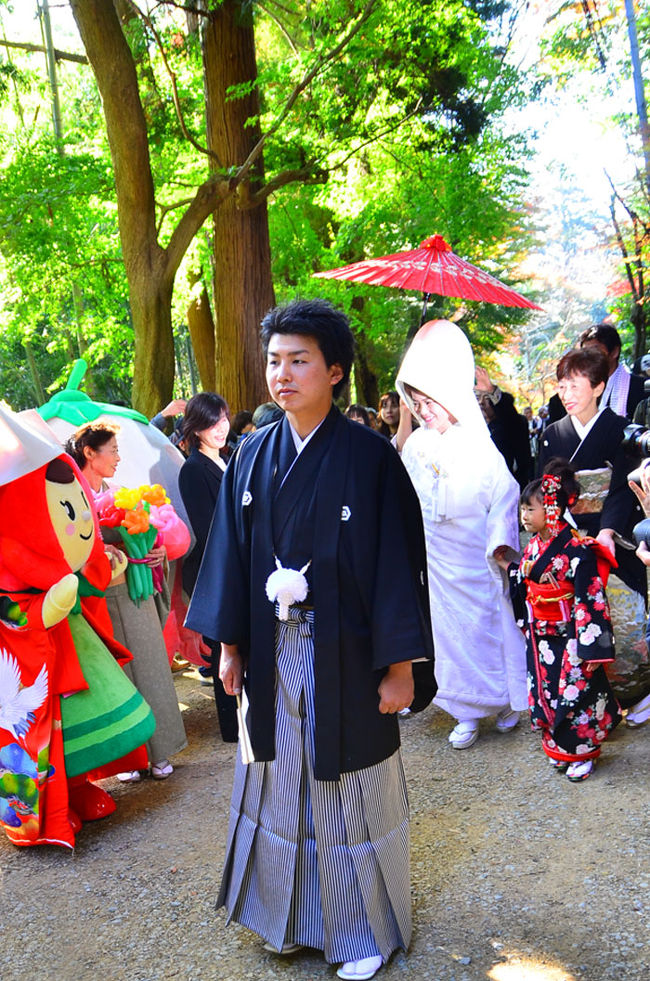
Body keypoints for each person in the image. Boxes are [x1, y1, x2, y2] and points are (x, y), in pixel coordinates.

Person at [186, 298, 434, 981]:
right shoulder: (252, 453)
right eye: (274, 360)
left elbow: (394, 565)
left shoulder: (371, 458)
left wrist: (401, 665)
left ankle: (361, 933)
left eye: (299, 360)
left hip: (346, 652)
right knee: (275, 785)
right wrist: (230, 647)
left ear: (334, 371)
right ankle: (286, 919)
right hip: (270, 649)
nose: (282, 374)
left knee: (344, 785)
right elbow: (230, 556)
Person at [395, 319, 527, 750]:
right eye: (416, 401)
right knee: (450, 638)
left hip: (478, 558)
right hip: (439, 560)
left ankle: (507, 701)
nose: (424, 409)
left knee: (492, 629)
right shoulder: (416, 447)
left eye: (429, 400)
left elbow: (506, 494)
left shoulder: (479, 445)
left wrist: (500, 545)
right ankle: (465, 712)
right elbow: (405, 500)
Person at [66, 422, 187, 781]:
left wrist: (156, 551)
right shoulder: (69, 499)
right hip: (96, 597)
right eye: (113, 450)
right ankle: (128, 758)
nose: (119, 457)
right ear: (90, 452)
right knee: (115, 676)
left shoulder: (121, 493)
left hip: (133, 592)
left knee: (150, 667)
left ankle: (159, 749)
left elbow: (150, 537)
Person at [539, 347, 650, 712]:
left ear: (599, 386)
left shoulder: (620, 431)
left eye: (575, 386)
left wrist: (606, 532)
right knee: (575, 624)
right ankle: (593, 703)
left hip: (611, 537)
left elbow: (620, 488)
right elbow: (545, 487)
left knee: (623, 617)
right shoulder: (553, 434)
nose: (566, 394)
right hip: (569, 538)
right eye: (561, 386)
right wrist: (562, 529)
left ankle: (634, 694)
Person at [497, 464, 622, 782]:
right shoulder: (535, 547)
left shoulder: (578, 550)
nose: (524, 515)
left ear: (551, 508)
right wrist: (514, 567)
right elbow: (526, 579)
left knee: (575, 694)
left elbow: (590, 599)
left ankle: (583, 754)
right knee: (547, 693)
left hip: (570, 636)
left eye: (530, 508)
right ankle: (559, 750)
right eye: (523, 509)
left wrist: (591, 648)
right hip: (540, 635)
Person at [178, 393, 237, 742]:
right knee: (221, 648)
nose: (221, 428)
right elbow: (207, 525)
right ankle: (231, 725)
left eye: (224, 419)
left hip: (237, 564)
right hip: (214, 571)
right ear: (196, 427)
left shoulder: (227, 458)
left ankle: (247, 713)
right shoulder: (193, 469)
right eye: (212, 422)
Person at [579, 323, 646, 421]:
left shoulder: (641, 388)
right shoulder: (579, 392)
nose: (588, 357)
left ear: (614, 352)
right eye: (584, 352)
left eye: (595, 351)